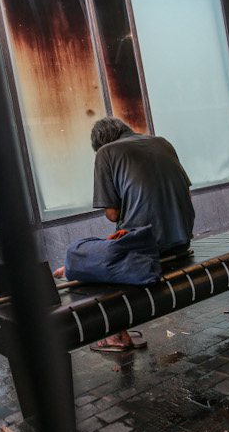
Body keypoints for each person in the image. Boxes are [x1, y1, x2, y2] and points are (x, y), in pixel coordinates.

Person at [54, 117, 195, 353]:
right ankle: (74, 269)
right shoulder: (162, 142)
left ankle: (115, 336)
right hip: (182, 240)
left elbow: (112, 214)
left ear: (101, 142)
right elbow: (188, 195)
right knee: (105, 251)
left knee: (78, 252)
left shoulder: (106, 152)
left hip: (145, 250)